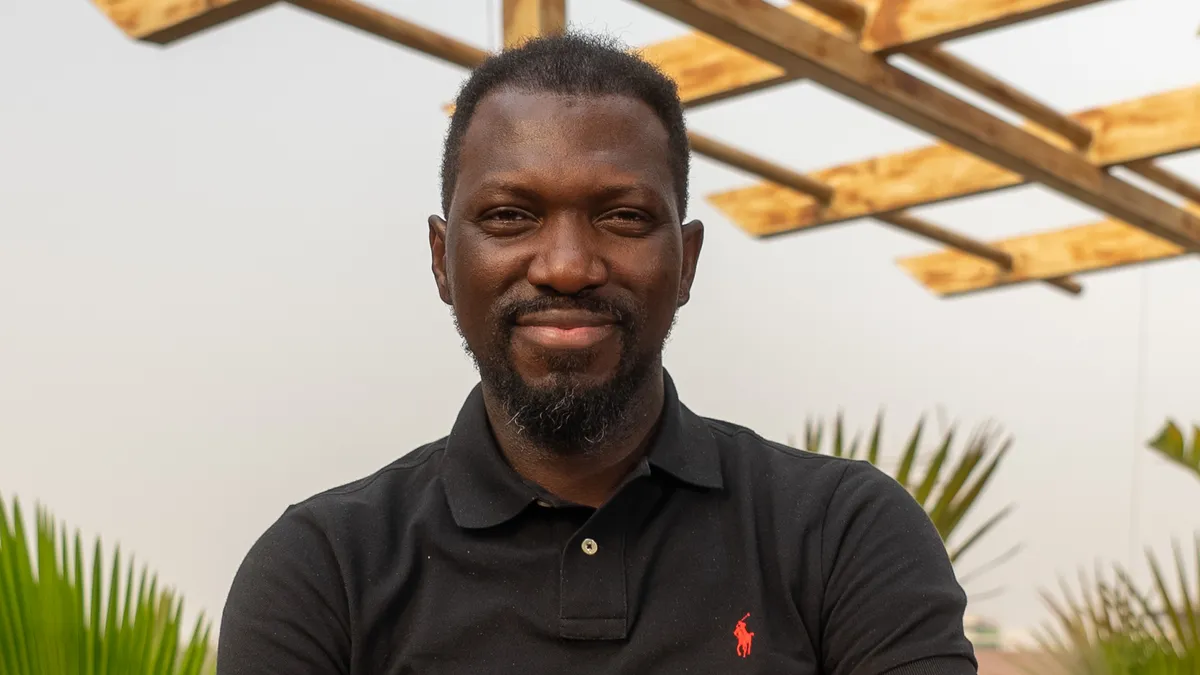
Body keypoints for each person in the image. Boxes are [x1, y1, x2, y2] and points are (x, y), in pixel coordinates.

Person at [217, 33, 978, 675]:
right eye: (511, 215)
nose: (568, 265)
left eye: (621, 215)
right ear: (443, 259)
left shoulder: (840, 534)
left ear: (685, 262)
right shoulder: (325, 571)